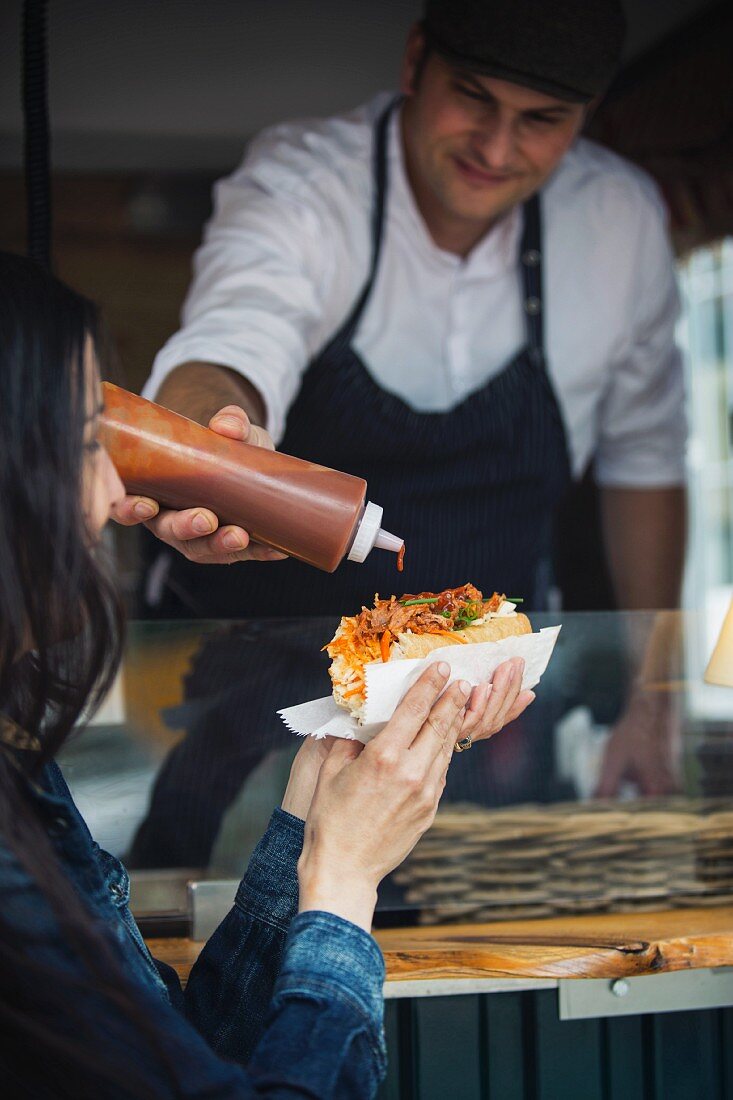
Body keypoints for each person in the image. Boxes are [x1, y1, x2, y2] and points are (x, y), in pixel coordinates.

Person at [128, 0, 684, 864]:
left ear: (587, 116)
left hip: (476, 706)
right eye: (472, 98)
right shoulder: (308, 179)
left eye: (541, 122)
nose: (497, 149)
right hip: (244, 686)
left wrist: (655, 697)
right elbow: (230, 340)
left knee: (468, 932)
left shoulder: (617, 222)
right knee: (201, 921)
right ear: (415, 60)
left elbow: (644, 464)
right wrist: (211, 446)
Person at [0, 251, 532, 1097]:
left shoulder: (20, 765)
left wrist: (308, 829)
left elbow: (193, 1055)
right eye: (78, 444)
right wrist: (346, 883)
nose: (113, 496)